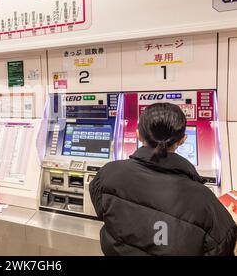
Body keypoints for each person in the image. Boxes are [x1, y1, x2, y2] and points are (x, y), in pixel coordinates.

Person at [89, 102, 237, 256]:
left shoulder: (108, 173)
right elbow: (221, 248)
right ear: (182, 140)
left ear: (138, 134)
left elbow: (106, 213)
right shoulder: (205, 201)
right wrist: (227, 220)